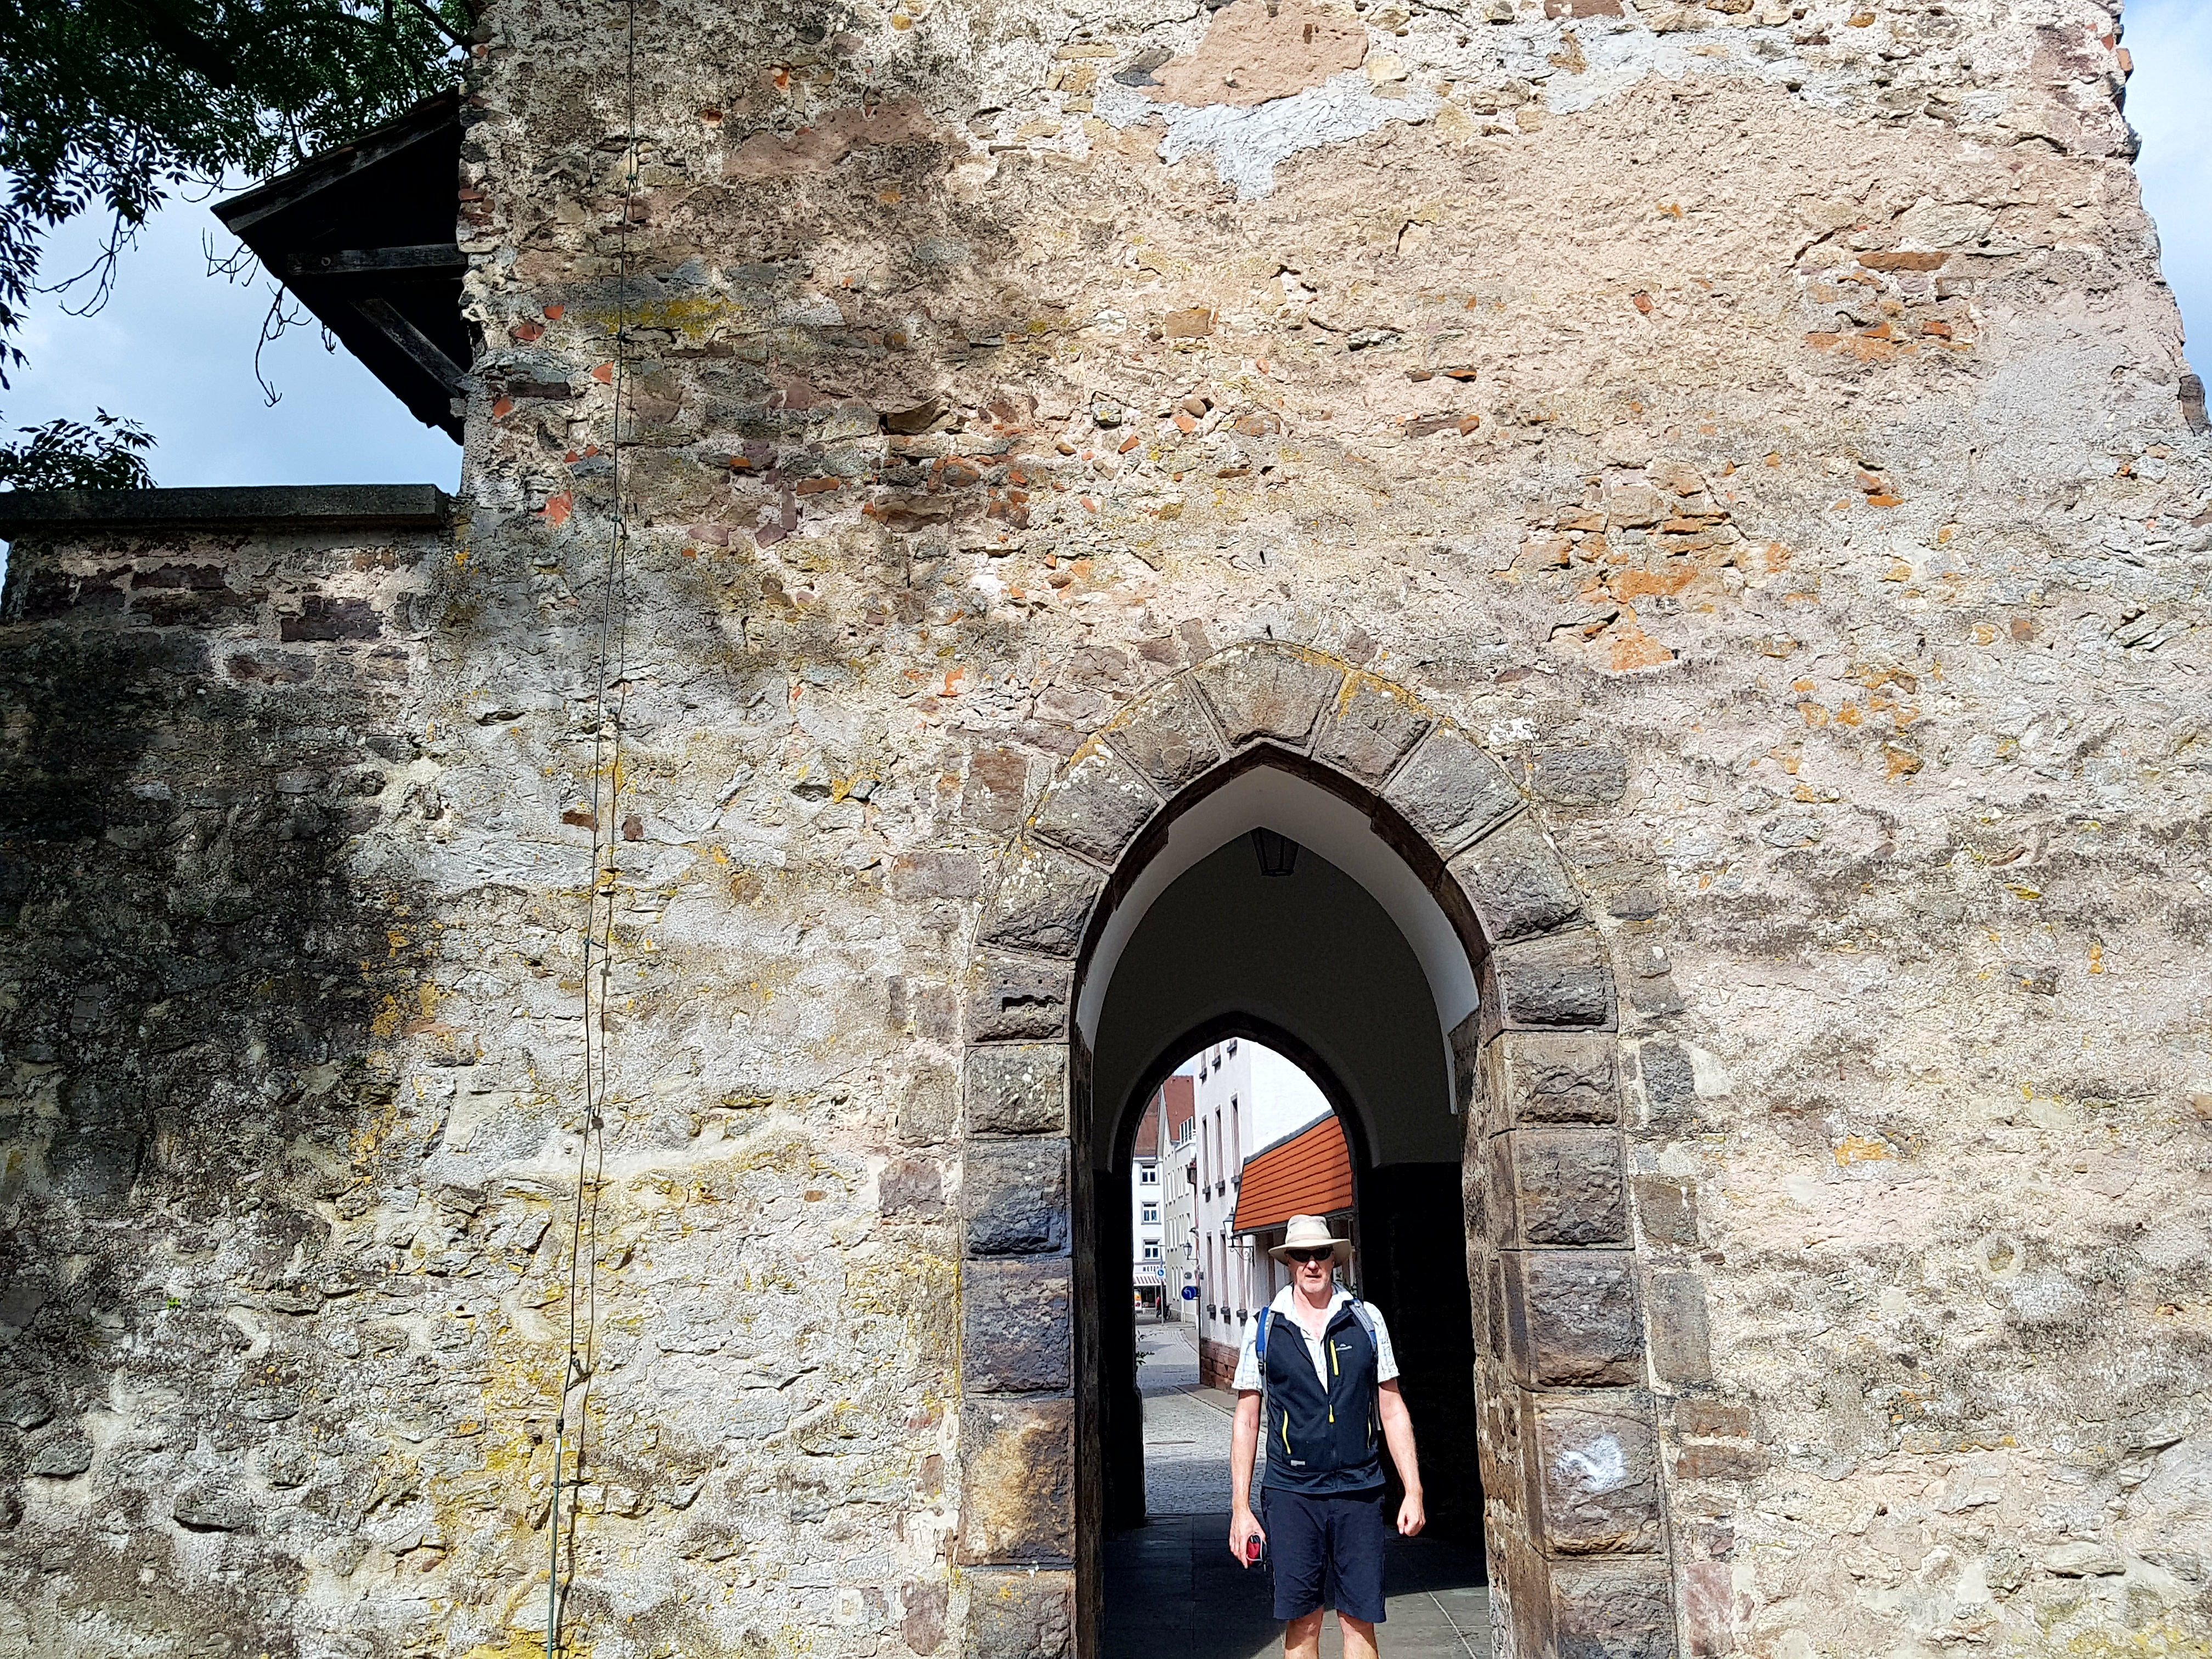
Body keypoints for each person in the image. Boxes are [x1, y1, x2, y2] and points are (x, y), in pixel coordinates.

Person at [1228, 1215, 1423, 1659]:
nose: (1312, 1264)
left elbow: (1392, 1408)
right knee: (1304, 1623)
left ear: (1335, 1259)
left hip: (1359, 1490)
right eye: (1302, 1255)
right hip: (1292, 1493)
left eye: (1320, 1254)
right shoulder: (1264, 1326)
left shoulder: (1365, 1320)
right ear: (1289, 1262)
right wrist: (1241, 1509)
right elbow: (1247, 1418)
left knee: (1359, 1621)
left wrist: (1413, 1490)